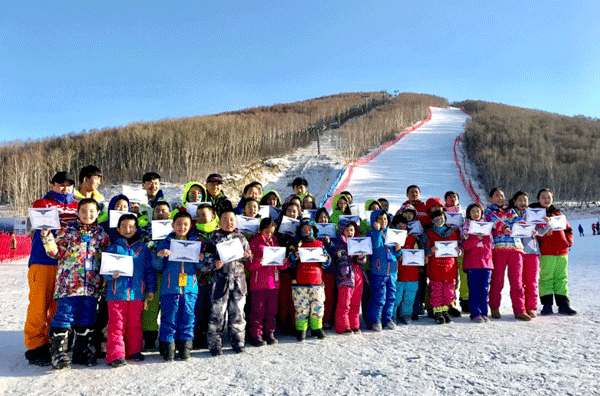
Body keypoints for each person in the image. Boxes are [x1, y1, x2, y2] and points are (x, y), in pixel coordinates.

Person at [41, 198, 110, 369]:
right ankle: (59, 353)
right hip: (69, 285)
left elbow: (105, 260)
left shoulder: (102, 235)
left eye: (92, 211)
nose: (88, 215)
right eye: (84, 211)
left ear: (98, 213)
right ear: (78, 213)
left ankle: (82, 350)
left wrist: (104, 283)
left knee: (88, 316)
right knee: (65, 315)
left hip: (91, 285)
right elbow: (55, 253)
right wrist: (47, 237)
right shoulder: (67, 231)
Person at [24, 172, 78, 366]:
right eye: (60, 184)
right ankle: (36, 344)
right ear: (52, 185)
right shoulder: (43, 203)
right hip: (43, 260)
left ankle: (54, 341)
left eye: (68, 185)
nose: (64, 188)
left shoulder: (78, 205)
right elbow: (37, 219)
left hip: (67, 264)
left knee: (59, 307)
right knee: (39, 304)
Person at [103, 214, 156, 367]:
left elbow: (149, 271)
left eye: (131, 226)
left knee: (135, 324)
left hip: (136, 294)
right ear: (118, 229)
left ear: (136, 228)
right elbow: (104, 271)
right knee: (116, 325)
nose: (128, 229)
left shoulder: (143, 249)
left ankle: (134, 350)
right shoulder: (113, 247)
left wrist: (151, 289)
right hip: (116, 294)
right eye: (124, 226)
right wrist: (110, 274)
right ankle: (115, 355)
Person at [152, 211, 202, 361]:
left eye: (185, 224)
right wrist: (160, 255)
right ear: (173, 225)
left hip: (189, 287)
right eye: (179, 224)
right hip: (170, 287)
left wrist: (201, 258)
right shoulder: (166, 242)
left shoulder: (195, 242)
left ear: (190, 226)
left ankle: (185, 346)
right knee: (169, 317)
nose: (182, 227)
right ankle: (168, 346)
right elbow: (157, 266)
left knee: (188, 317)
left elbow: (202, 266)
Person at [203, 209, 251, 355]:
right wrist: (214, 263)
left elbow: (249, 258)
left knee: (237, 312)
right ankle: (214, 344)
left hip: (238, 282)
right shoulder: (214, 238)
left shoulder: (241, 238)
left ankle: (238, 341)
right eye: (225, 219)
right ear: (219, 221)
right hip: (219, 281)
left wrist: (247, 255)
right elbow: (205, 259)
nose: (229, 222)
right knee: (217, 313)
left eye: (231, 219)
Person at [484, 188, 529, 321]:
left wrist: (527, 229)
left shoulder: (511, 211)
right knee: (497, 280)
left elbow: (518, 222)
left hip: (516, 249)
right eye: (497, 195)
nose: (500, 198)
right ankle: (494, 306)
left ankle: (519, 309)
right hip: (499, 248)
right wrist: (505, 228)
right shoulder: (488, 211)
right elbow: (495, 222)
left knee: (517, 281)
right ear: (491, 198)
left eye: (502, 195)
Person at [530, 189, 576, 315]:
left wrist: (568, 242)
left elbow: (568, 229)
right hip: (547, 251)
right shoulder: (535, 214)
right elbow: (533, 233)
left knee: (562, 278)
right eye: (543, 197)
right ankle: (547, 305)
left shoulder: (558, 213)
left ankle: (563, 305)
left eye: (549, 197)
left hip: (562, 250)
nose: (546, 199)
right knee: (546, 278)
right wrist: (543, 232)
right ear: (538, 199)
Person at [246, 218, 288, 346]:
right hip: (258, 284)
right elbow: (249, 266)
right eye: (266, 232)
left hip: (273, 283)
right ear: (260, 230)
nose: (269, 235)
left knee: (272, 310)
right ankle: (256, 333)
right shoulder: (254, 243)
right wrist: (259, 260)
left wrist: (284, 261)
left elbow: (281, 267)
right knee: (257, 310)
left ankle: (269, 332)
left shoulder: (275, 243)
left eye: (271, 232)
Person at [290, 219, 331, 341]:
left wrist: (326, 259)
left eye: (310, 229)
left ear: (314, 230)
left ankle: (316, 328)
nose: (307, 232)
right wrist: (294, 257)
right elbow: (289, 261)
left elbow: (327, 261)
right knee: (301, 308)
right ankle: (301, 329)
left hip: (316, 282)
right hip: (300, 283)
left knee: (317, 307)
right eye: (304, 229)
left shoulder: (319, 244)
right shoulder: (296, 245)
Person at [141, 201, 171, 351]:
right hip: (150, 273)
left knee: (168, 306)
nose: (160, 213)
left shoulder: (175, 231)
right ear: (152, 213)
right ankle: (149, 337)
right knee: (150, 306)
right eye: (157, 210)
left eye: (164, 210)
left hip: (170, 273)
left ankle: (167, 337)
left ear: (169, 214)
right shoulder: (145, 231)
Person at [367, 210, 402, 331]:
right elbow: (375, 246)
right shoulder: (371, 233)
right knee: (379, 297)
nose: (383, 221)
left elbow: (397, 253)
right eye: (380, 219)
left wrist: (398, 249)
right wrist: (376, 231)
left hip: (391, 270)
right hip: (379, 271)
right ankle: (375, 320)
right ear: (375, 221)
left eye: (385, 219)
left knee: (391, 296)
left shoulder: (391, 233)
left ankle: (388, 318)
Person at [425, 210, 461, 324]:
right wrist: (429, 250)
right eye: (436, 219)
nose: (439, 221)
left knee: (449, 290)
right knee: (437, 289)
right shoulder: (429, 233)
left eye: (441, 219)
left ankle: (445, 309)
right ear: (432, 221)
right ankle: (437, 310)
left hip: (449, 266)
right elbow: (423, 247)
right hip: (436, 266)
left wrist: (459, 250)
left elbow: (459, 246)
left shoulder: (452, 232)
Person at [192, 203, 219, 350]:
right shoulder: (193, 235)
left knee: (214, 310)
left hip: (218, 279)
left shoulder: (219, 233)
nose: (201, 218)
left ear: (213, 215)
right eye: (198, 215)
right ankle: (198, 336)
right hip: (199, 280)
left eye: (204, 214)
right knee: (199, 309)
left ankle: (213, 337)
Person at [460, 203, 493, 323]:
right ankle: (475, 313)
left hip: (486, 263)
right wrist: (475, 239)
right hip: (472, 263)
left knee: (484, 289)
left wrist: (483, 240)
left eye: (478, 211)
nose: (476, 214)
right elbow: (464, 245)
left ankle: (484, 312)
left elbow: (490, 244)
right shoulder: (466, 228)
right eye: (473, 211)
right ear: (469, 213)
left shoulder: (487, 227)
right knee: (474, 289)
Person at [509, 191, 540, 318]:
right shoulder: (509, 214)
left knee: (531, 281)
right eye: (520, 200)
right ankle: (520, 308)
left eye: (525, 200)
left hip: (531, 250)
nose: (523, 202)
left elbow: (542, 230)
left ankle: (531, 307)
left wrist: (544, 224)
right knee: (518, 281)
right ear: (515, 201)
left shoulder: (533, 214)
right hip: (515, 250)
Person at [334, 219, 367, 334]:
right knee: (344, 302)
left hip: (358, 275)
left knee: (356, 302)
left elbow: (362, 261)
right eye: (347, 230)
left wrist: (361, 256)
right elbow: (340, 258)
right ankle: (343, 326)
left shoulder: (358, 242)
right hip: (346, 276)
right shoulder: (340, 243)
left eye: (352, 230)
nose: (350, 232)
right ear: (342, 231)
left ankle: (354, 324)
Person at [390, 215, 419, 325]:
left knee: (410, 295)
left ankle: (406, 314)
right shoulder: (392, 238)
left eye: (404, 225)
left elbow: (418, 251)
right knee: (396, 296)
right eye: (399, 225)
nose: (402, 227)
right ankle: (392, 314)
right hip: (399, 272)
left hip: (412, 271)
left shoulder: (413, 238)